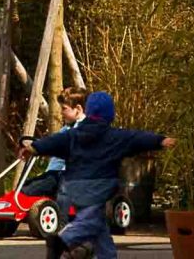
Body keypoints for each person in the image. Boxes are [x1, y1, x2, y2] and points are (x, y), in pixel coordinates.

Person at [23, 92, 174, 259]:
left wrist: (34, 148)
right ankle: (61, 240)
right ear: (109, 114)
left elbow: (55, 141)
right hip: (99, 187)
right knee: (92, 220)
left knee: (100, 228)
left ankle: (107, 256)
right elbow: (137, 138)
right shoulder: (115, 136)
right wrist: (160, 140)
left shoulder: (73, 134)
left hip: (73, 186)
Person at [19, 87, 86, 201]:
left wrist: (38, 148)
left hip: (69, 177)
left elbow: (58, 143)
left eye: (64, 109)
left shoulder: (83, 130)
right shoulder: (66, 129)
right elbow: (54, 143)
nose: (61, 112)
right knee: (24, 186)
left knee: (28, 191)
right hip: (56, 174)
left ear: (78, 109)